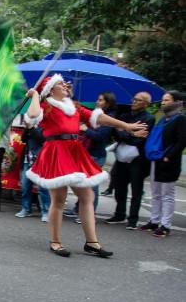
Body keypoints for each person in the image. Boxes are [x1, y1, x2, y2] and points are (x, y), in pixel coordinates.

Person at [24, 74, 148, 258]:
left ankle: (92, 242)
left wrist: (126, 126)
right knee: (59, 199)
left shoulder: (73, 106)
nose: (65, 85)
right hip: (56, 151)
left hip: (75, 151)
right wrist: (35, 95)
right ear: (50, 89)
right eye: (60, 83)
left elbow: (99, 118)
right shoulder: (46, 105)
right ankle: (55, 242)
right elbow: (32, 115)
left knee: (87, 195)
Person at [104, 92, 155, 229]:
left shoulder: (148, 118)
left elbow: (139, 140)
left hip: (138, 159)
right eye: (134, 99)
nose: (134, 102)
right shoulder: (125, 116)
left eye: (138, 100)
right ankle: (119, 214)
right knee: (119, 186)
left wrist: (124, 131)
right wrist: (130, 132)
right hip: (121, 156)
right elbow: (116, 134)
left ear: (146, 104)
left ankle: (133, 219)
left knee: (136, 189)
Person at [139, 91, 186, 237]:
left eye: (167, 100)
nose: (163, 103)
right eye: (163, 100)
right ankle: (154, 220)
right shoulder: (162, 119)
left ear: (176, 102)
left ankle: (165, 225)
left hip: (169, 162)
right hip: (156, 159)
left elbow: (181, 141)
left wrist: (168, 157)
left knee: (167, 194)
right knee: (156, 193)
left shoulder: (180, 119)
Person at [66, 91, 118, 220]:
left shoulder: (109, 117)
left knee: (91, 186)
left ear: (108, 103)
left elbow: (100, 137)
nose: (97, 102)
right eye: (98, 99)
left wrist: (86, 129)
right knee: (81, 183)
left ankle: (89, 214)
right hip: (86, 152)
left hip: (96, 155)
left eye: (101, 100)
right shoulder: (94, 114)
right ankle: (78, 209)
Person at [16, 119, 50, 221]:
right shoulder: (30, 124)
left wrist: (32, 128)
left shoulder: (45, 123)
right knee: (25, 186)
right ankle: (26, 209)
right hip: (28, 159)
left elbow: (42, 139)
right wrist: (27, 129)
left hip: (40, 160)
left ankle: (46, 212)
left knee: (43, 188)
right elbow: (23, 139)